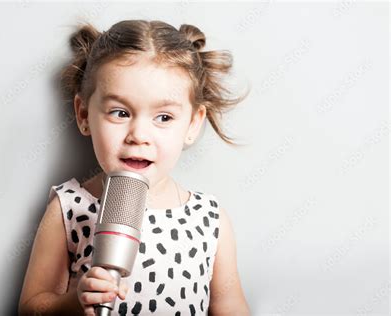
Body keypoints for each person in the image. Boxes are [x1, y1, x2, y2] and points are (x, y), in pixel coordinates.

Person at [18, 19, 250, 316]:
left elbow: (230, 307)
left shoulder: (210, 220)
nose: (139, 135)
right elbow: (31, 308)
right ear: (84, 114)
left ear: (193, 123)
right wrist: (75, 301)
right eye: (120, 112)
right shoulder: (69, 208)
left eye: (164, 117)